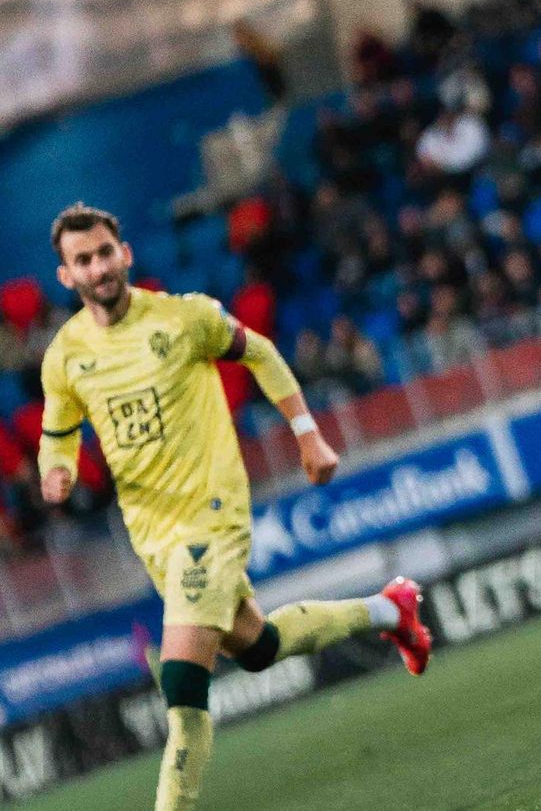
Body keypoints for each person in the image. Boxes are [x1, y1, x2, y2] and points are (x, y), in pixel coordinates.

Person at [37, 204, 433, 811]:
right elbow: (58, 431)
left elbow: (260, 352)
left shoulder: (183, 317)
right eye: (82, 260)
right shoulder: (66, 354)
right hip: (154, 537)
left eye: (105, 253)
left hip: (210, 517)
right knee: (258, 647)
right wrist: (56, 471)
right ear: (67, 276)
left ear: (126, 254)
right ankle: (391, 609)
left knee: (182, 689)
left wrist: (308, 432)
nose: (98, 267)